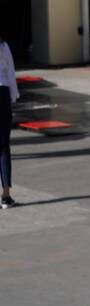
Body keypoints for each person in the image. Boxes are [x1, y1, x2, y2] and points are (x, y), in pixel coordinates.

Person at [0, 33, 17, 209]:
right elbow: (11, 73)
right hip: (3, 93)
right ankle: (5, 195)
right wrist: (13, 97)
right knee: (4, 147)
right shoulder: (4, 46)